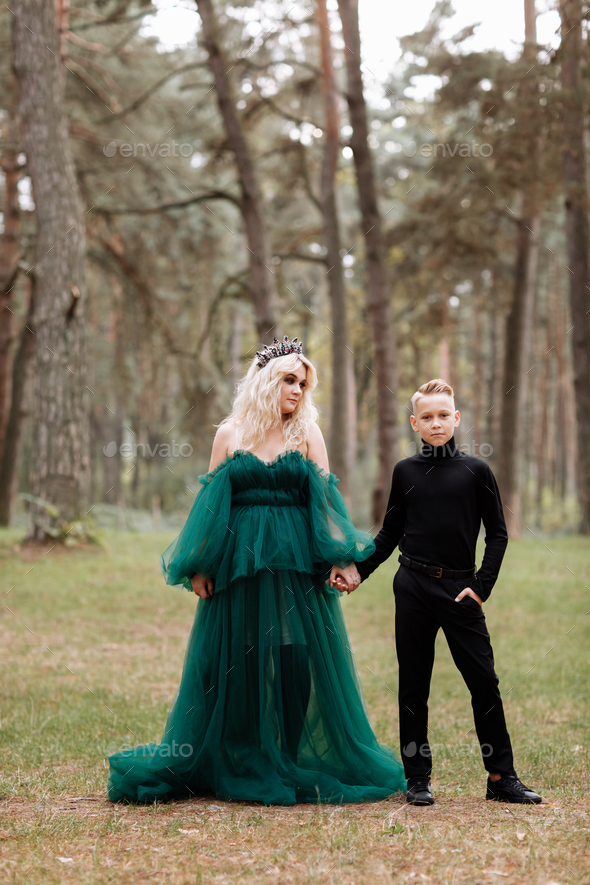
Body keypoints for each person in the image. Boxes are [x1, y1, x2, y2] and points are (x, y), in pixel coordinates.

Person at [108, 336, 406, 806]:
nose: (297, 390)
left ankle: (284, 755)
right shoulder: (230, 434)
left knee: (295, 653)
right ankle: (240, 754)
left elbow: (325, 503)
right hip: (238, 565)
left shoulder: (307, 434)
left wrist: (342, 557)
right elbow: (212, 506)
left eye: (302, 383)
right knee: (239, 655)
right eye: (289, 380)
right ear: (266, 381)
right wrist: (201, 566)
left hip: (295, 564)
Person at [331, 379, 542, 806]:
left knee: (483, 681)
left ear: (457, 418)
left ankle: (501, 776)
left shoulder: (476, 472)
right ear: (414, 423)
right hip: (412, 586)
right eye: (426, 417)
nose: (436, 422)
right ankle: (418, 778)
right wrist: (358, 571)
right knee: (413, 685)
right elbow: (390, 534)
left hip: (461, 589)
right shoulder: (404, 472)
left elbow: (498, 535)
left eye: (444, 415)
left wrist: (480, 587)